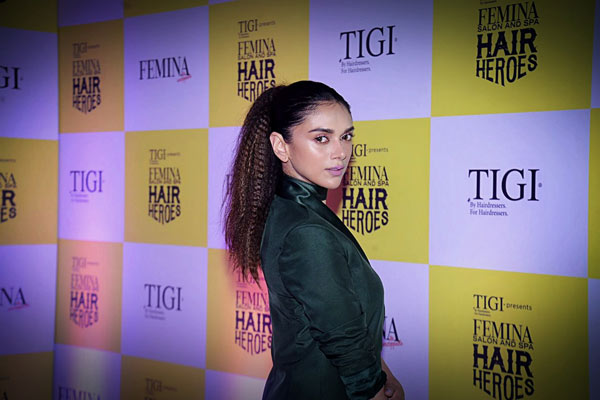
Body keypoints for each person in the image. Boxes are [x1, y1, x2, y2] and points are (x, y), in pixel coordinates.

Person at [223, 80, 404, 400]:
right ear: (281, 146)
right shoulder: (305, 231)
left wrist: (382, 373)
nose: (341, 152)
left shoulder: (293, 210)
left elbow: (343, 320)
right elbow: (344, 341)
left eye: (346, 136)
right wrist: (376, 388)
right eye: (322, 138)